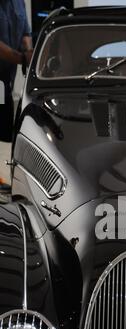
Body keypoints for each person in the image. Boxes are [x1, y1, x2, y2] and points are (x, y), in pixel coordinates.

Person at [0, 0, 33, 192]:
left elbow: (26, 33)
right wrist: (22, 58)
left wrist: (28, 50)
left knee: (3, 125)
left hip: (6, 78)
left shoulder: (18, 3)